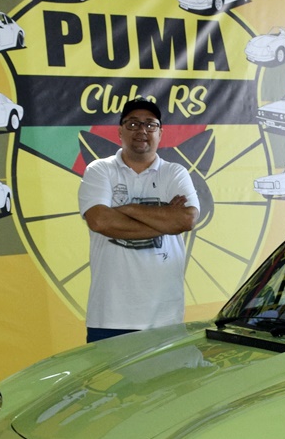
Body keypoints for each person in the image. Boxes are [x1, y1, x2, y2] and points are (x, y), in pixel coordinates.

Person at [78, 97, 199, 342]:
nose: (142, 130)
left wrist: (126, 209)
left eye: (150, 124)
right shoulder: (100, 170)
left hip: (165, 318)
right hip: (109, 317)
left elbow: (185, 220)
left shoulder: (174, 173)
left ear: (160, 133)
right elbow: (100, 221)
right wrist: (164, 219)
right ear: (120, 131)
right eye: (133, 124)